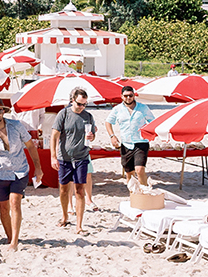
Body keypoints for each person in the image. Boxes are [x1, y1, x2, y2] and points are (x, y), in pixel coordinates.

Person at [0, 98, 33, 251]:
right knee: (3, 208)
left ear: (4, 111)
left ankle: (14, 242)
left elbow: (30, 145)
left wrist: (38, 168)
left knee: (15, 202)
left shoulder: (16, 126)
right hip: (0, 174)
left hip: (20, 171)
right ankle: (11, 237)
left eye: (0, 110)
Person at [51, 88, 96, 234]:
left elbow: (92, 135)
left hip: (82, 156)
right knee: (64, 190)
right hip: (65, 157)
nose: (82, 107)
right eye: (79, 104)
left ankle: (79, 225)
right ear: (72, 100)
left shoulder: (87, 116)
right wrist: (53, 156)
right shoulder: (63, 114)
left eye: (84, 104)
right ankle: (65, 217)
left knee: (80, 191)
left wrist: (91, 137)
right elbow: (54, 136)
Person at [105, 85, 151, 191]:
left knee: (139, 170)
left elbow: (152, 121)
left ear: (134, 96)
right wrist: (112, 136)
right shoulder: (117, 109)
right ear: (121, 96)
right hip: (126, 144)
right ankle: (133, 195)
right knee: (129, 173)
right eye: (126, 96)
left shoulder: (143, 108)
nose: (128, 98)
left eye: (130, 95)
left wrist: (150, 133)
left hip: (141, 142)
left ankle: (144, 192)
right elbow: (108, 122)